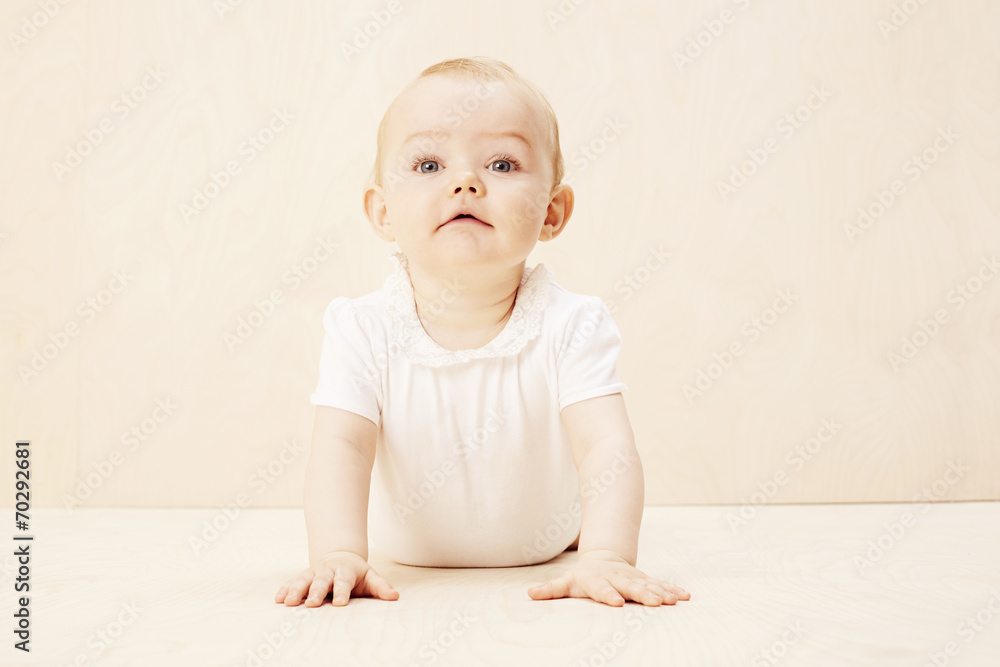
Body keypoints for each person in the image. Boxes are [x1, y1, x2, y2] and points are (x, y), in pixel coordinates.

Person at [275, 56, 690, 609]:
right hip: (405, 562)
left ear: (552, 211)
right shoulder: (362, 328)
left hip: (551, 551)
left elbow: (606, 447)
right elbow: (340, 448)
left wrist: (606, 555)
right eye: (427, 165)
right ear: (381, 213)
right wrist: (337, 552)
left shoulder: (572, 324)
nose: (465, 182)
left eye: (501, 163)